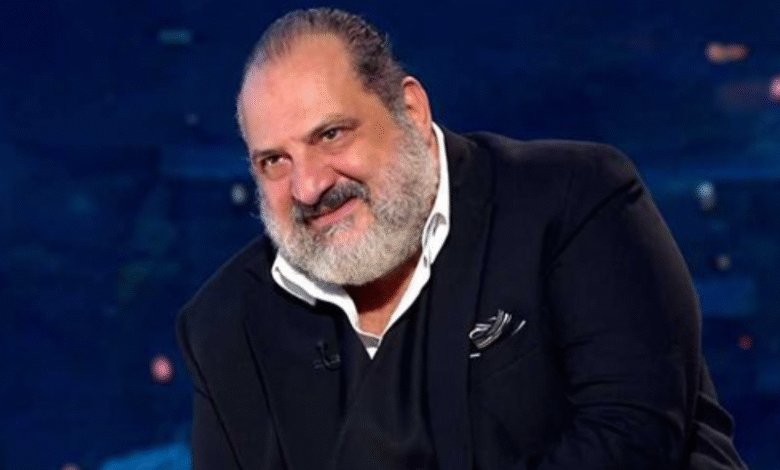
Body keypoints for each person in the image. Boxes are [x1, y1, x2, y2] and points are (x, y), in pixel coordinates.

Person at [177, 7, 747, 470]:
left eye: (331, 134)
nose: (308, 186)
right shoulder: (224, 324)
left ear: (410, 110)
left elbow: (633, 440)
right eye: (274, 161)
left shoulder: (572, 200)